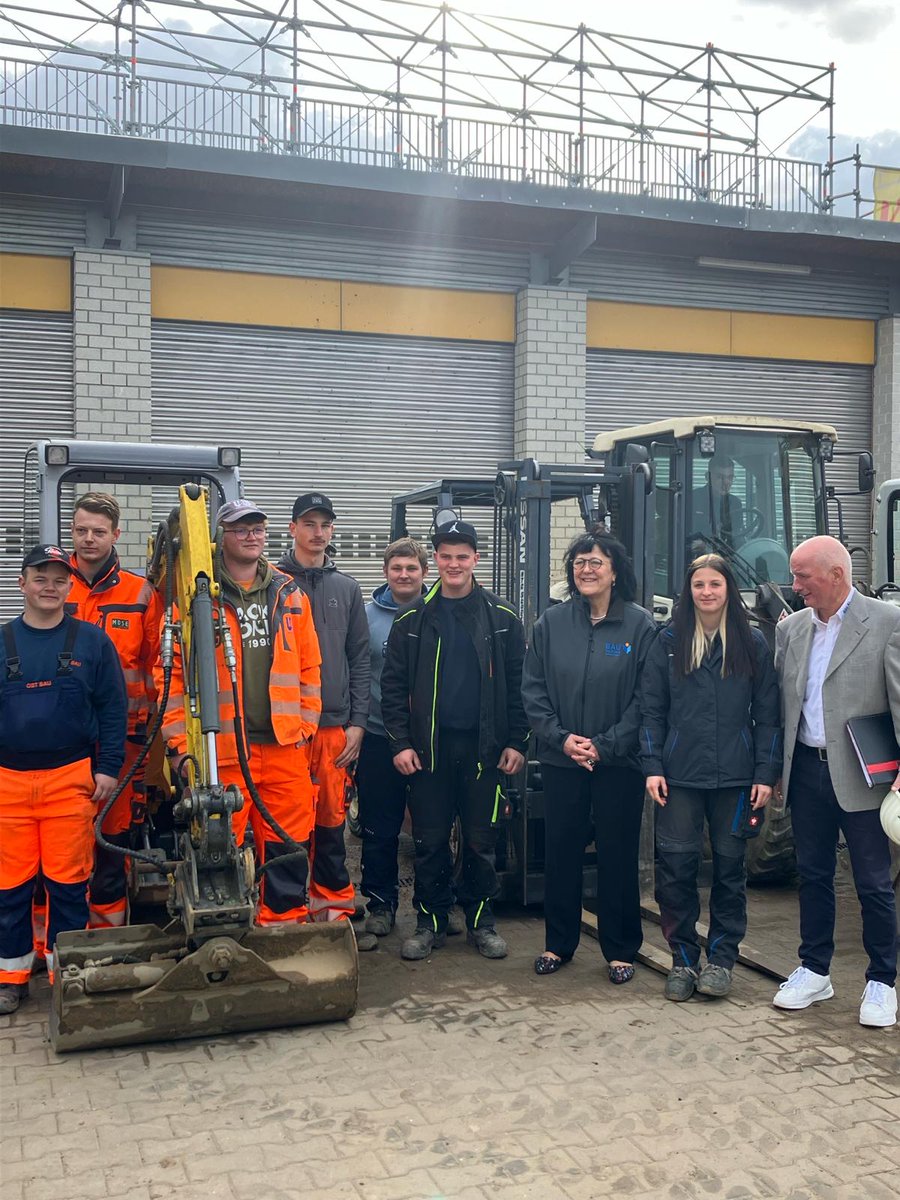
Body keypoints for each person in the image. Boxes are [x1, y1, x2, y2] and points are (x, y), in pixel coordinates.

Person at [161, 499, 322, 924]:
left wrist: (306, 725)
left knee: (289, 841)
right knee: (218, 846)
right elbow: (175, 682)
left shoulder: (290, 594)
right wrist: (179, 744)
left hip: (284, 746)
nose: (251, 536)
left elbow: (309, 667)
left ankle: (284, 927)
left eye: (257, 528)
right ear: (220, 537)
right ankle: (226, 929)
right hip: (224, 753)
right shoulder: (195, 600)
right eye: (239, 529)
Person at [381, 519, 529, 961]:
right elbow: (391, 689)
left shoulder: (502, 619)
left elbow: (521, 685)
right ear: (437, 562)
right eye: (445, 556)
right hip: (428, 753)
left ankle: (481, 922)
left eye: (462, 555)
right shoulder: (411, 620)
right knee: (429, 842)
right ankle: (430, 922)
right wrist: (400, 744)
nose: (454, 563)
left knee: (482, 842)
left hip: (485, 751)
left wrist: (518, 742)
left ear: (475, 560)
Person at [640, 553, 781, 1002]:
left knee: (729, 872)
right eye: (698, 584)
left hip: (735, 779)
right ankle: (683, 960)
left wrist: (764, 773)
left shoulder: (751, 642)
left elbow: (769, 715)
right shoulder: (668, 641)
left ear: (727, 590)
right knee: (676, 870)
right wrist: (653, 766)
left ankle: (720, 961)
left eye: (714, 584)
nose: (706, 592)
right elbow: (651, 710)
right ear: (689, 590)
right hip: (679, 778)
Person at [772, 535, 900, 1027]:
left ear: (836, 575)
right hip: (805, 769)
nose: (795, 585)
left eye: (803, 576)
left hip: (864, 774)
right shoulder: (792, 630)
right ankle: (814, 969)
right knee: (813, 874)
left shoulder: (886, 623)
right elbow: (785, 703)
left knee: (872, 881)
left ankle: (882, 981)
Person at [522, 531, 657, 983]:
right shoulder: (551, 623)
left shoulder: (640, 626)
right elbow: (534, 691)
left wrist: (606, 744)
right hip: (563, 761)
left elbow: (646, 698)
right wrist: (562, 740)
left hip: (617, 764)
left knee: (618, 854)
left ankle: (621, 949)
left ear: (615, 571)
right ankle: (558, 943)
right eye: (580, 562)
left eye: (596, 562)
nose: (587, 570)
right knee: (561, 852)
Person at [0, 545, 126, 1015]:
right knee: (9, 887)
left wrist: (108, 767)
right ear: (22, 584)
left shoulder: (92, 642)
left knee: (68, 884)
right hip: (7, 782)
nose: (49, 587)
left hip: (71, 780)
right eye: (40, 578)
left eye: (58, 579)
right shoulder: (2, 641)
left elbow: (113, 709)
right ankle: (11, 976)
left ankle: (65, 974)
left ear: (70, 587)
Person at [64, 491, 163, 929]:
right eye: (82, 530)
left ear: (115, 534)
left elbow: (158, 663)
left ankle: (107, 935)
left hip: (123, 739)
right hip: (58, 739)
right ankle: (59, 939)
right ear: (72, 531)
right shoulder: (53, 584)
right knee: (62, 837)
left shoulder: (140, 594)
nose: (89, 539)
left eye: (98, 532)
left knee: (111, 835)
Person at [277, 492, 370, 923]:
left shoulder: (347, 589)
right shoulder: (271, 584)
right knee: (287, 826)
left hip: (335, 728)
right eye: (309, 524)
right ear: (292, 528)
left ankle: (332, 913)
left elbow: (360, 659)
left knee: (332, 825)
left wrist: (358, 723)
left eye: (324, 525)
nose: (317, 533)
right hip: (285, 730)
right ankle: (288, 913)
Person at [358, 538, 429, 937]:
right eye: (397, 568)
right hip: (376, 738)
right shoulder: (366, 617)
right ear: (386, 572)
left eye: (412, 568)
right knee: (379, 828)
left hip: (428, 741)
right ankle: (381, 905)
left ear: (424, 572)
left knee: (432, 828)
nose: (404, 575)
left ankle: (438, 904)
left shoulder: (437, 613)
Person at [689, 455, 744, 549]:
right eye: (720, 477)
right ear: (708, 477)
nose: (726, 482)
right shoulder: (692, 499)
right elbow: (684, 536)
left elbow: (737, 535)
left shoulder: (735, 503)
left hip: (727, 556)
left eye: (730, 477)